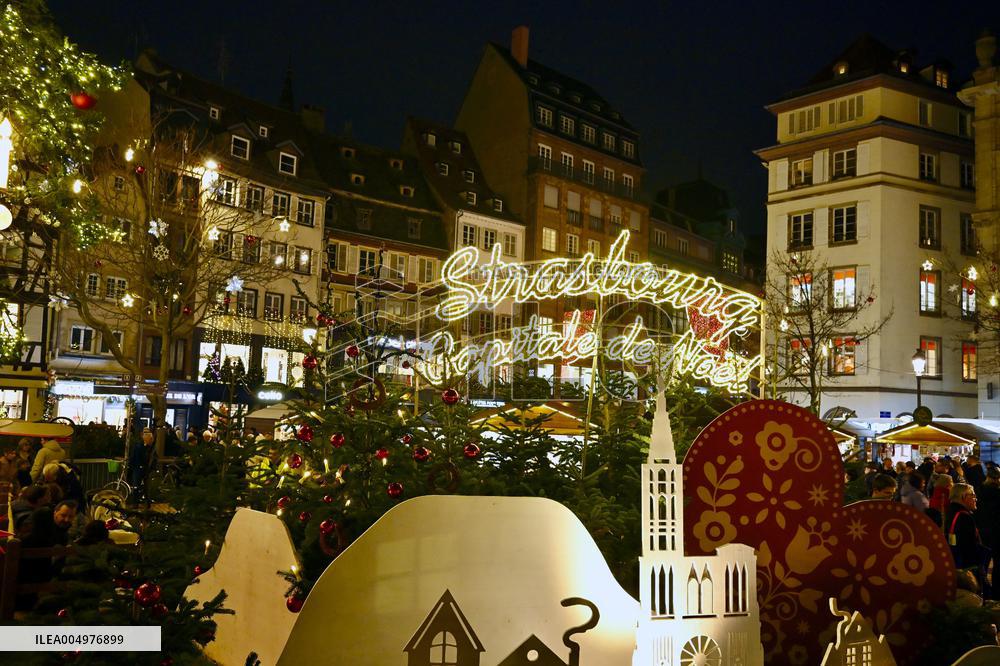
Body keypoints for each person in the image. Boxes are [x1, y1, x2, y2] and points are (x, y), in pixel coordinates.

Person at [946, 483, 991, 596]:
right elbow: (969, 547)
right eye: (973, 495)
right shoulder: (964, 517)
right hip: (968, 569)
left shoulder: (951, 511)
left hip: (954, 563)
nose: (976, 498)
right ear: (964, 497)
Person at [977, 467, 1000, 600]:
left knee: (983, 563)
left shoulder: (979, 492)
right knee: (997, 563)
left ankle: (982, 591)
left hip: (983, 531)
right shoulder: (998, 493)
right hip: (997, 532)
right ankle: (996, 593)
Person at [129, 427, 157, 502]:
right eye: (150, 439)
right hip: (139, 469)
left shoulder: (145, 447)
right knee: (137, 486)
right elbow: (135, 457)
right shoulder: (140, 446)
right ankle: (137, 501)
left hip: (143, 469)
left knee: (143, 486)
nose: (151, 441)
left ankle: (144, 501)